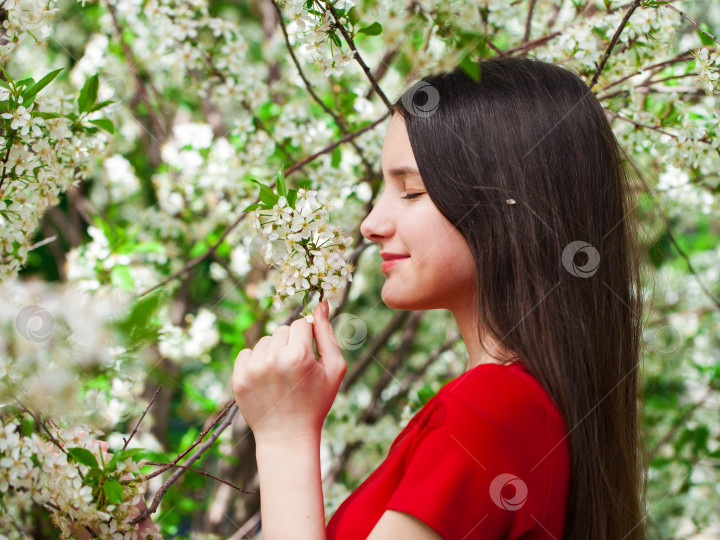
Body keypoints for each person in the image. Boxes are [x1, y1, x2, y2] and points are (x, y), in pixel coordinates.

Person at [232, 55, 647, 539]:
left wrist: (284, 437)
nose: (370, 225)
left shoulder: (488, 413)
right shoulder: (524, 408)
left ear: (509, 203)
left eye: (410, 191)